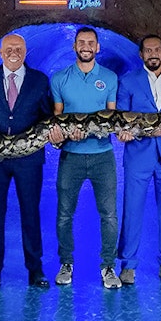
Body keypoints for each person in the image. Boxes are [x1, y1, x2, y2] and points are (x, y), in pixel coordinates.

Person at [0, 33, 52, 289]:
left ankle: (35, 269)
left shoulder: (40, 80)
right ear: (0, 53)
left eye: (18, 48)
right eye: (8, 49)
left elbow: (47, 117)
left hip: (29, 159)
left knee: (31, 213)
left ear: (25, 52)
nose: (13, 52)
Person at [49, 26, 120, 288]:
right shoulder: (59, 78)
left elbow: (111, 117)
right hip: (71, 157)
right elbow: (58, 116)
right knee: (64, 214)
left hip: (103, 156)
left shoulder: (110, 78)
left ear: (98, 47)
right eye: (81, 42)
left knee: (109, 215)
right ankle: (66, 263)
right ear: (74, 46)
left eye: (91, 42)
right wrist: (63, 135)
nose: (86, 46)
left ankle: (109, 266)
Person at [115, 34, 161, 284]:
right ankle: (128, 265)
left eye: (157, 49)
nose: (153, 54)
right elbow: (122, 119)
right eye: (148, 50)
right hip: (138, 155)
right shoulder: (127, 81)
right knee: (132, 210)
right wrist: (124, 133)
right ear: (141, 55)